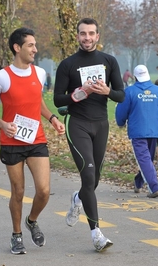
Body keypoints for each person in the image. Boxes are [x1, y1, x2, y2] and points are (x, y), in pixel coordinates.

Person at [0, 27, 65, 255]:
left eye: (35, 45)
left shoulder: (39, 73)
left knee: (44, 191)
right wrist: (3, 125)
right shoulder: (2, 77)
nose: (35, 49)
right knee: (18, 192)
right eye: (31, 45)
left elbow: (36, 102)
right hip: (11, 142)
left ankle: (32, 220)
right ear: (17, 48)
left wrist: (52, 119)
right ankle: (17, 235)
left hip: (36, 139)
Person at [53, 18, 125, 252]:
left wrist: (108, 91)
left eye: (91, 33)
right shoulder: (67, 64)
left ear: (97, 36)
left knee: (93, 181)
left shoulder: (109, 61)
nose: (87, 38)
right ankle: (96, 234)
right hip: (78, 124)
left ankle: (78, 199)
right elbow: (57, 99)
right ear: (78, 36)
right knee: (88, 173)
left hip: (101, 124)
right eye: (83, 34)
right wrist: (76, 94)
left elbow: (121, 95)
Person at [115, 65, 158, 196]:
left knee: (144, 159)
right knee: (147, 159)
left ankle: (154, 188)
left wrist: (120, 122)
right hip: (154, 131)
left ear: (135, 76)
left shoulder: (129, 91)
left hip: (138, 131)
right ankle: (138, 182)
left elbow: (121, 110)